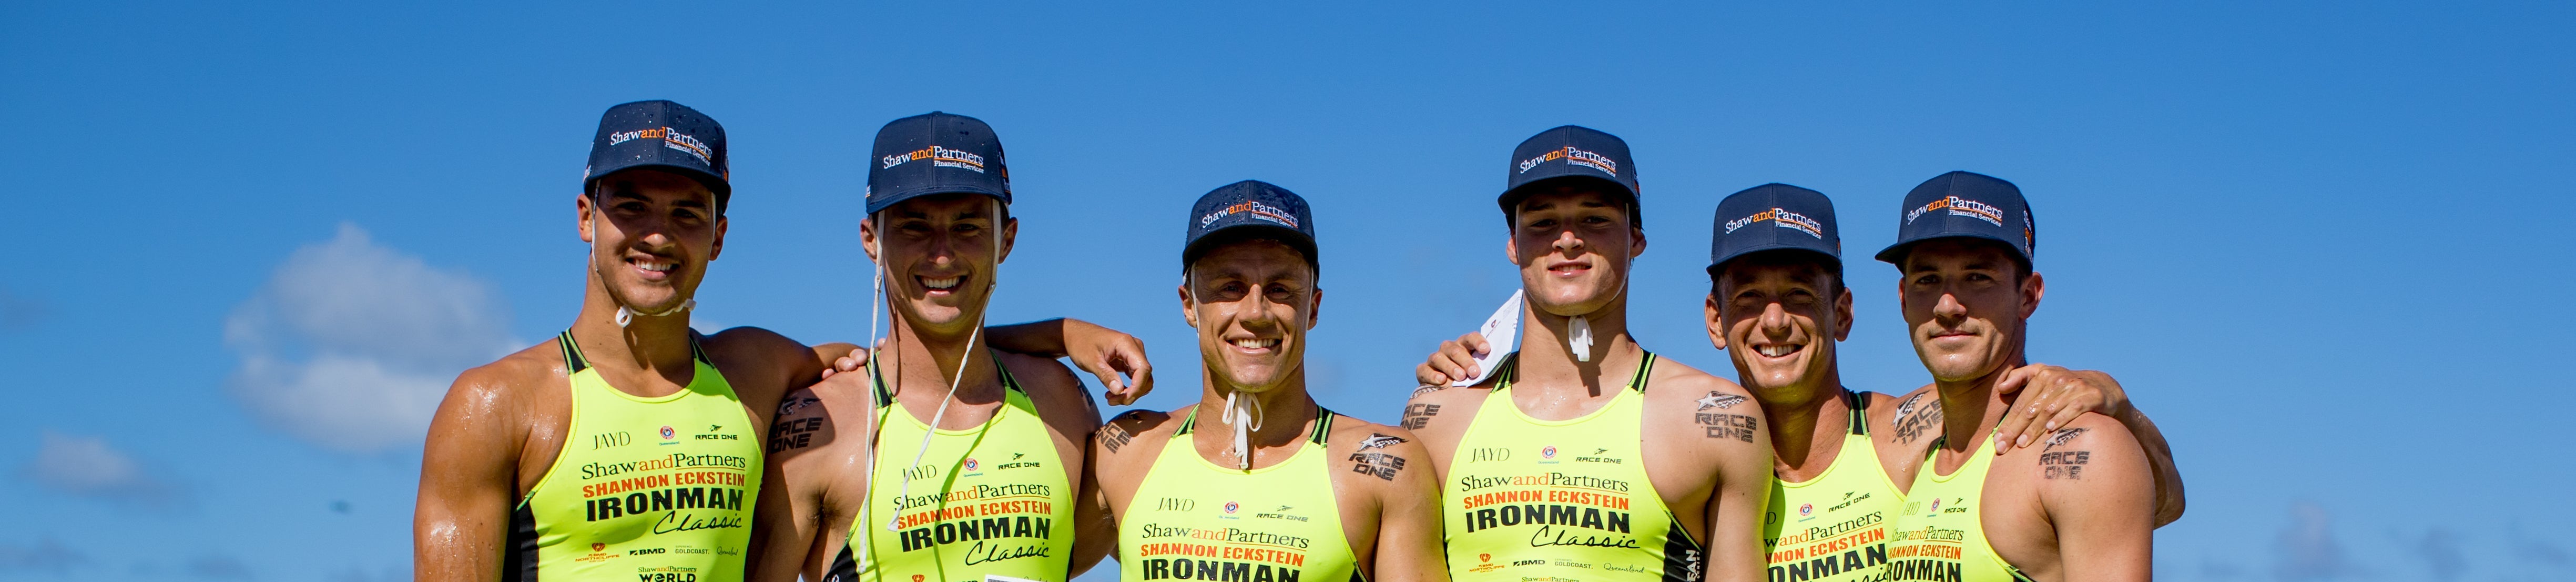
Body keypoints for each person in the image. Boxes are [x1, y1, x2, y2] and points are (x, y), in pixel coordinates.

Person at [1425, 184, 2182, 582]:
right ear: (1713, 321)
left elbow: (2155, 498)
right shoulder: (1691, 448)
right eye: (1748, 298)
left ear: (1843, 312)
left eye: (1800, 296)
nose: (1775, 321)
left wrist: (2109, 396)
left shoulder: (1905, 434)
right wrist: (1473, 377)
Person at [414, 100, 860, 581]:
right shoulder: (496, 404)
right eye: (632, 207)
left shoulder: (756, 369)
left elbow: (865, 367)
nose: (657, 235)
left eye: (686, 214)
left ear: (718, 238)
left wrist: (856, 364)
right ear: (586, 218)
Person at [752, 112, 1124, 582]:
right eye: (914, 227)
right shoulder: (821, 422)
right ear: (872, 239)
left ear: (1006, 239)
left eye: (968, 226)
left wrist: (1062, 333)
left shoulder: (1060, 400)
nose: (942, 252)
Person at [1400, 127, 1774, 582]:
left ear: (1636, 238)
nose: (1568, 239)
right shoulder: (1440, 412)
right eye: (1542, 222)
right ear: (1513, 245)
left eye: (1595, 219)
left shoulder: (1714, 417)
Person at [1088, 180, 1448, 582]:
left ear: (1312, 307)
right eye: (1230, 287)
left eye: (1279, 289)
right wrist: (1062, 335)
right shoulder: (1126, 452)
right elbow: (1017, 569)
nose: (1256, 313)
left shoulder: (1386, 464)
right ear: (1189, 304)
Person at [1876, 171, 2155, 581]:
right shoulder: (1912, 453)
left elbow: (2165, 498)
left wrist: (2121, 405)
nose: (1948, 306)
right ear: (1903, 300)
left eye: (1978, 277)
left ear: (2027, 295)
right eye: (1928, 280)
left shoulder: (2087, 450)